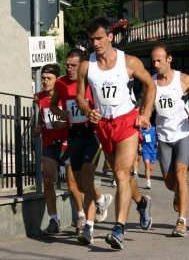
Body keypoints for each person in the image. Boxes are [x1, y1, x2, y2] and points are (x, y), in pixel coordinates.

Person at [76, 16, 156, 250]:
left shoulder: (128, 62)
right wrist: (88, 110)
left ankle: (118, 229)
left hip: (127, 121)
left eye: (100, 38)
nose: (96, 43)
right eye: (92, 39)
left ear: (110, 37)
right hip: (103, 126)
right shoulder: (86, 66)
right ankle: (142, 204)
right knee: (121, 176)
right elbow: (80, 96)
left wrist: (146, 113)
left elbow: (150, 85)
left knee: (121, 174)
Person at [50, 49, 113, 244]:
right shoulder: (60, 83)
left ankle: (89, 228)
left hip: (92, 135)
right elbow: (53, 105)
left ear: (83, 65)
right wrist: (61, 114)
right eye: (67, 65)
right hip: (73, 136)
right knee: (79, 184)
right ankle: (101, 199)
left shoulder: (93, 82)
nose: (68, 68)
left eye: (73, 65)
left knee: (87, 178)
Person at [151, 44, 189, 237]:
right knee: (169, 181)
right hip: (163, 136)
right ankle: (178, 192)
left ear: (169, 59)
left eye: (159, 60)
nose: (156, 64)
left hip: (183, 133)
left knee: (181, 176)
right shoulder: (151, 83)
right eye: (153, 61)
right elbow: (146, 107)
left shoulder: (183, 79)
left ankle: (182, 221)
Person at [33, 63, 83, 235]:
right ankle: (54, 220)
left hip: (67, 142)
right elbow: (42, 116)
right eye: (43, 78)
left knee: (72, 184)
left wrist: (63, 124)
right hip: (48, 143)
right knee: (48, 181)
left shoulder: (65, 96)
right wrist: (38, 128)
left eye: (49, 79)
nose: (45, 82)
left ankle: (81, 216)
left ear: (57, 80)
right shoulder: (38, 97)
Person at [140, 114, 158, 189]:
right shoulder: (141, 131)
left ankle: (148, 177)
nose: (146, 124)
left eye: (147, 123)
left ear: (149, 123)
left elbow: (159, 137)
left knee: (150, 168)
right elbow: (139, 140)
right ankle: (148, 182)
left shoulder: (154, 129)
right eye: (144, 123)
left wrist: (158, 141)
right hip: (145, 150)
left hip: (153, 150)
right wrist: (139, 146)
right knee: (147, 165)